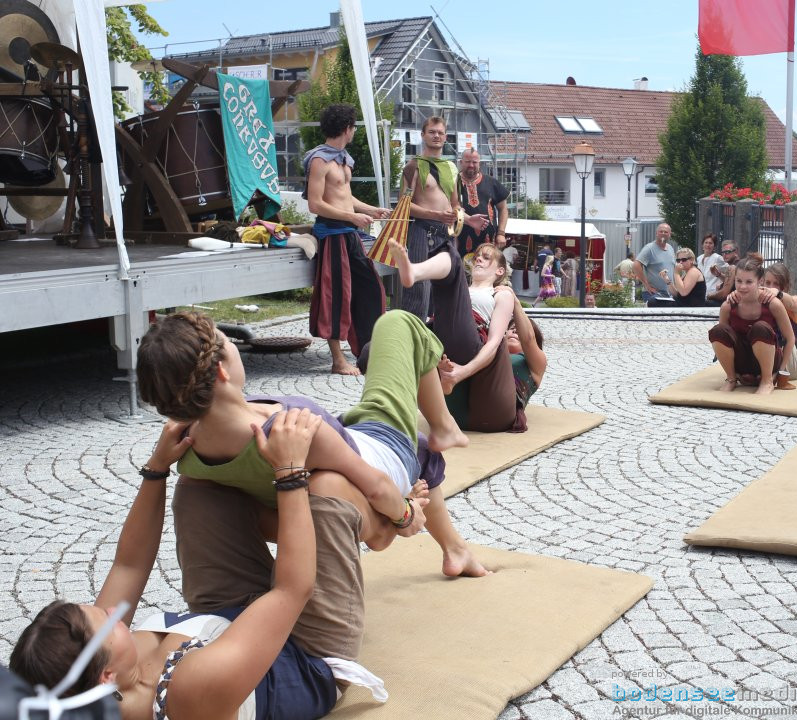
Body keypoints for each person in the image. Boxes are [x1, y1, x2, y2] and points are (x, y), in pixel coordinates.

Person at [10, 409, 389, 719]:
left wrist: (156, 469)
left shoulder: (105, 670)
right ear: (106, 678)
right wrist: (289, 472)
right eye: (107, 623)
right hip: (307, 649)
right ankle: (386, 525)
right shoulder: (191, 693)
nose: (112, 611)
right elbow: (292, 590)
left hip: (227, 619)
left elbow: (128, 564)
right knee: (325, 490)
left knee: (198, 490)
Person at [135, 309, 489, 577]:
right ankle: (444, 429)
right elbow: (379, 489)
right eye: (230, 344)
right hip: (382, 456)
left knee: (356, 416)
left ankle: (455, 547)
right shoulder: (293, 429)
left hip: (345, 446)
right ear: (223, 371)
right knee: (397, 323)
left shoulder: (186, 447)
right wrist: (406, 516)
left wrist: (159, 463)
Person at [390, 240, 523, 433]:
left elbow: (494, 342)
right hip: (442, 332)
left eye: (486, 257)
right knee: (384, 338)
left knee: (451, 256)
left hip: (469, 341)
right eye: (478, 255)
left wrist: (463, 371)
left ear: (500, 271)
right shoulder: (461, 290)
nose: (478, 259)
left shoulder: (500, 294)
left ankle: (413, 272)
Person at [304, 103, 391, 376]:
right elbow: (315, 205)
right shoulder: (319, 160)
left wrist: (369, 209)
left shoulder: (341, 158)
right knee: (336, 297)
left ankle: (368, 350)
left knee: (371, 288)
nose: (354, 131)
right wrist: (351, 218)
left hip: (349, 234)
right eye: (354, 127)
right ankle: (337, 360)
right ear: (347, 128)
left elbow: (345, 196)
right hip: (331, 235)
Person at [399, 116, 488, 319]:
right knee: (418, 290)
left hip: (446, 235)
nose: (436, 136)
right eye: (432, 132)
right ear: (423, 135)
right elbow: (404, 206)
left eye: (440, 132)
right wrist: (436, 214)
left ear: (445, 137)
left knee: (447, 287)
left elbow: (454, 205)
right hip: (422, 231)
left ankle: (441, 342)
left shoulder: (451, 168)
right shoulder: (413, 167)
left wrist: (468, 219)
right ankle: (412, 341)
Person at [708, 253, 797, 395]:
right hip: (742, 361)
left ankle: (766, 381)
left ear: (760, 281)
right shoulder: (728, 305)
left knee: (760, 327)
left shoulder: (772, 303)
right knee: (718, 330)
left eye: (749, 282)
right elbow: (724, 338)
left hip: (769, 360)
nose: (742, 286)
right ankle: (731, 379)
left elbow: (790, 338)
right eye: (739, 281)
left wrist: (781, 371)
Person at [761, 261, 797, 378]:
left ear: (784, 286)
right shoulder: (760, 300)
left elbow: (793, 303)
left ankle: (796, 357)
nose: (770, 287)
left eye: (776, 284)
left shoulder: (794, 301)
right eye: (767, 283)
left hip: (786, 358)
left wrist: (778, 294)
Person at [457, 148, 509, 256]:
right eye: (467, 162)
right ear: (461, 162)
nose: (471, 165)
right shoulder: (453, 182)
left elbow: (503, 208)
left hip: (488, 243)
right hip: (458, 243)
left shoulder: (491, 182)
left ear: (479, 163)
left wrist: (501, 233)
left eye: (474, 162)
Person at [635, 223, 677, 305]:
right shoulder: (649, 248)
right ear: (656, 233)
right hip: (654, 294)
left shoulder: (670, 248)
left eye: (666, 232)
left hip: (669, 294)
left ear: (669, 235)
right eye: (661, 231)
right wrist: (646, 285)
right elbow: (636, 265)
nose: (663, 233)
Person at [697, 234, 726, 299]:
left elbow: (729, 274)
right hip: (700, 294)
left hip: (713, 295)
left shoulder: (717, 258)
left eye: (710, 243)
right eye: (706, 242)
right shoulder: (699, 258)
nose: (708, 245)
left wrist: (721, 281)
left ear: (714, 246)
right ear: (702, 244)